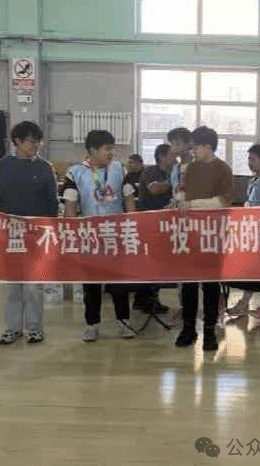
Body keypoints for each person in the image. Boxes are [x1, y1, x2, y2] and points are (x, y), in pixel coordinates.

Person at [0, 122, 59, 344]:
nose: (35, 146)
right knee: (12, 285)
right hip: (10, 233)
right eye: (31, 142)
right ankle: (12, 329)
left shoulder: (45, 168)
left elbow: (52, 203)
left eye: (38, 142)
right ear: (17, 141)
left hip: (36, 234)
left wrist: (52, 232)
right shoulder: (4, 166)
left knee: (34, 285)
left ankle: (34, 328)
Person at [62, 130, 137, 342]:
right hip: (90, 237)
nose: (111, 153)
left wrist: (133, 224)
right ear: (93, 150)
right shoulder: (74, 172)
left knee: (120, 283)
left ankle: (124, 321)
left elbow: (129, 199)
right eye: (107, 149)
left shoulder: (120, 170)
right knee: (91, 284)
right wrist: (73, 232)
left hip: (116, 235)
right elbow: (70, 206)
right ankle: (92, 324)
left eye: (112, 148)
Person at [173, 126, 235, 351]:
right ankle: (188, 328)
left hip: (213, 234)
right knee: (189, 284)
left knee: (210, 285)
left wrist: (194, 204)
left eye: (196, 147)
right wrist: (180, 200)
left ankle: (209, 330)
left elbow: (225, 200)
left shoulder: (223, 169)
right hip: (190, 233)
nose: (192, 151)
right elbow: (182, 189)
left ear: (208, 147)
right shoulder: (190, 168)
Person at [225, 143, 260, 321]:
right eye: (249, 159)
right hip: (251, 230)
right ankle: (246, 302)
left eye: (253, 159)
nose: (250, 162)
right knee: (251, 270)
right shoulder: (253, 180)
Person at [131, 143, 174, 314]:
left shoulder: (171, 172)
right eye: (171, 155)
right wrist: (174, 182)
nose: (175, 159)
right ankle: (147, 300)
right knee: (150, 262)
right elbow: (154, 189)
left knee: (157, 263)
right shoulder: (150, 172)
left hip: (163, 224)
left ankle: (144, 299)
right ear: (161, 156)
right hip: (149, 223)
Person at [167, 127, 193, 203]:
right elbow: (175, 192)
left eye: (178, 144)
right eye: (172, 144)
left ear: (189, 144)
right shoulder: (175, 168)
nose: (174, 148)